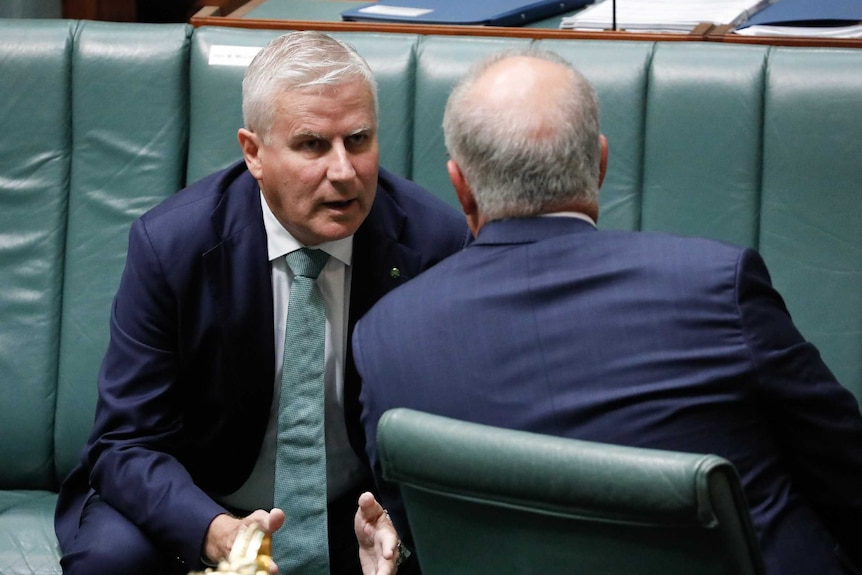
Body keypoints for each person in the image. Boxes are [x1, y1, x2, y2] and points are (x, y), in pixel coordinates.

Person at [352, 47, 862, 575]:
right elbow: (846, 474)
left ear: (460, 186)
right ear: (600, 163)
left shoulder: (385, 337)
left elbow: (413, 531)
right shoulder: (715, 287)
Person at [54, 30, 469, 575]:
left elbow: (454, 432)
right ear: (253, 152)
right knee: (111, 560)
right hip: (201, 500)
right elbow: (124, 443)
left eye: (359, 139)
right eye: (313, 145)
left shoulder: (433, 244)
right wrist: (214, 531)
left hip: (360, 515)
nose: (343, 171)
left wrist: (399, 522)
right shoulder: (173, 247)